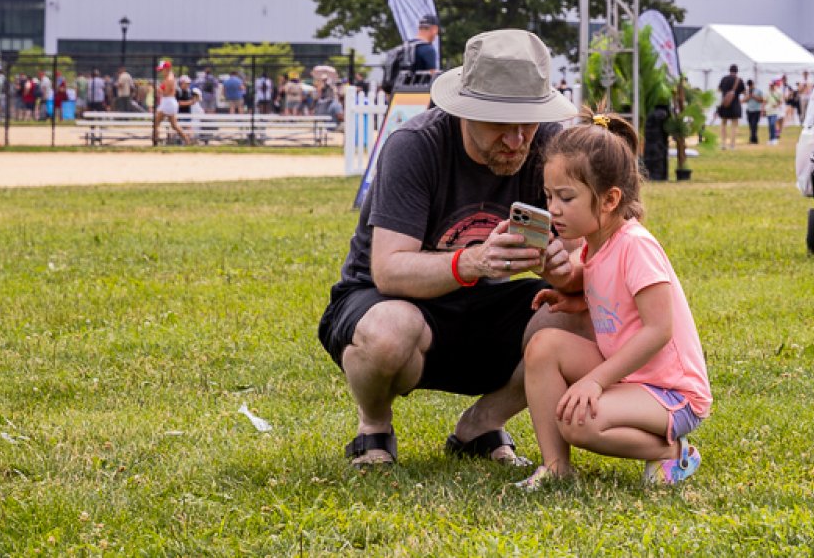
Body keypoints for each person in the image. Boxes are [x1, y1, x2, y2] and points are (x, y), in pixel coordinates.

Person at [318, 29, 586, 469]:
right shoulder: (416, 147)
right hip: (393, 302)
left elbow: (582, 252)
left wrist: (563, 266)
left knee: (586, 316)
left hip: (486, 308)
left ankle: (481, 425)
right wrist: (475, 260)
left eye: (528, 123)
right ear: (465, 111)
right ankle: (374, 426)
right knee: (388, 332)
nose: (518, 140)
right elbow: (388, 270)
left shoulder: (550, 146)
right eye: (501, 123)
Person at [515, 110, 710, 489]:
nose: (553, 208)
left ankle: (675, 453)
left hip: (671, 392)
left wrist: (595, 381)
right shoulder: (595, 245)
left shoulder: (636, 245)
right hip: (633, 378)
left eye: (566, 197)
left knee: (577, 421)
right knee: (543, 346)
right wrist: (573, 296)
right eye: (549, 195)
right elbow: (591, 282)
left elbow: (658, 329)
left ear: (609, 200)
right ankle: (556, 469)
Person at [152, 61, 188, 145]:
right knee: (174, 125)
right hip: (169, 102)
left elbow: (166, 93)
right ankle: (187, 140)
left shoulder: (169, 79)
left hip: (167, 101)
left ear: (167, 69)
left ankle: (155, 141)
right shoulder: (170, 76)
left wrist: (158, 89)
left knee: (156, 122)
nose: (161, 72)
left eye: (162, 70)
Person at [715, 65, 745, 150]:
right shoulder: (739, 80)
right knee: (734, 125)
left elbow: (719, 89)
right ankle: (732, 144)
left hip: (725, 104)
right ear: (737, 71)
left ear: (729, 70)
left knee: (723, 124)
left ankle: (723, 144)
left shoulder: (724, 79)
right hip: (735, 104)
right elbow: (743, 91)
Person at [744, 78, 766, 147]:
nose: (750, 86)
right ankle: (754, 139)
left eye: (750, 85)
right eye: (749, 85)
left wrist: (754, 96)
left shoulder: (758, 91)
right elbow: (744, 100)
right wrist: (749, 96)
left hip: (757, 110)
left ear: (753, 84)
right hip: (749, 110)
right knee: (751, 126)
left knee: (754, 125)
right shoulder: (747, 91)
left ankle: (752, 140)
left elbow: (762, 100)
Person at [764, 80, 786, 144]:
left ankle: (774, 138)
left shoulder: (778, 92)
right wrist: (763, 110)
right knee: (770, 125)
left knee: (772, 124)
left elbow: (781, 101)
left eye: (772, 85)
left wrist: (776, 105)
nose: (771, 86)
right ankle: (771, 138)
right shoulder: (767, 92)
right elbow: (765, 101)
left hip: (775, 111)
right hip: (768, 111)